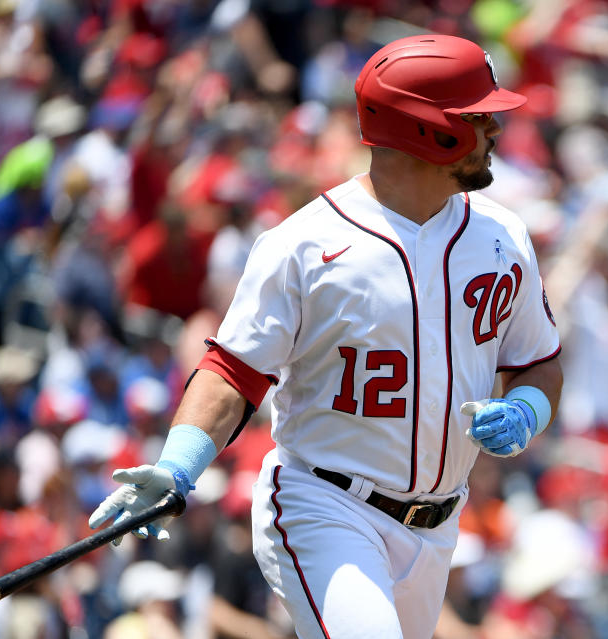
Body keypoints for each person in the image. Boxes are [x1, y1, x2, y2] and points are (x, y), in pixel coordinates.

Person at [89, 34, 563, 639]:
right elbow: (236, 370)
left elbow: (539, 362)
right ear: (427, 130)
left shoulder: (503, 236)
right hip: (327, 505)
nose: (496, 127)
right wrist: (180, 462)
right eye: (477, 115)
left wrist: (527, 405)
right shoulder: (305, 243)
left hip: (439, 525)